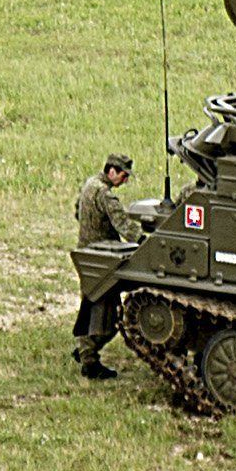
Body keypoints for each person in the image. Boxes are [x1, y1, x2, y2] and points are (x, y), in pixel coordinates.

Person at [71, 151, 145, 379]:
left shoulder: (89, 185)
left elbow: (77, 211)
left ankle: (84, 351)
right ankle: (89, 359)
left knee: (90, 305)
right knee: (108, 317)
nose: (125, 180)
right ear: (111, 171)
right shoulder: (106, 195)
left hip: (87, 253)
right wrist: (144, 243)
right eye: (123, 175)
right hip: (103, 260)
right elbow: (124, 225)